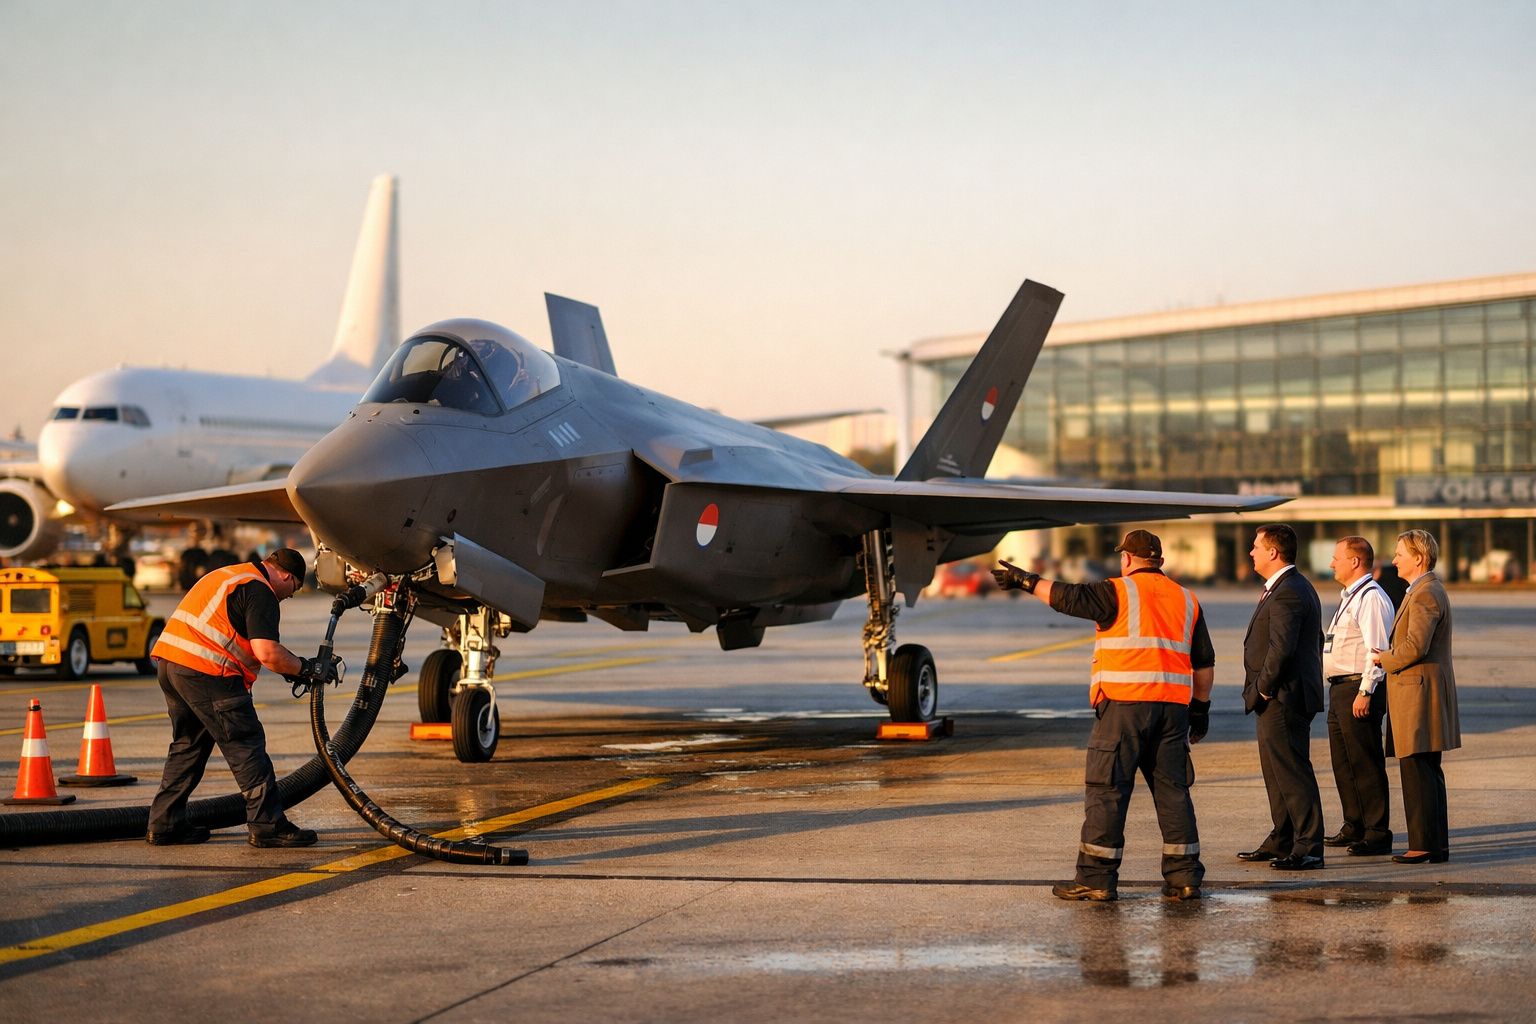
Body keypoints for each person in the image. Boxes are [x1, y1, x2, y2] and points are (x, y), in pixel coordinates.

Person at [994, 529, 1214, 902]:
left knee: (1107, 791)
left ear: (1126, 558)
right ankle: (1185, 878)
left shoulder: (1117, 590)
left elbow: (1067, 597)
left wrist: (1025, 581)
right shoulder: (1187, 598)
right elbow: (1204, 664)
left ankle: (1096, 878)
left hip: (1124, 708)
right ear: (1159, 560)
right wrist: (1201, 710)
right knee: (1173, 793)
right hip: (1173, 711)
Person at [146, 548, 334, 848]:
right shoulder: (260, 591)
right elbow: (267, 652)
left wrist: (292, 669)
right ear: (287, 577)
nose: (288, 596)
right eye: (294, 589)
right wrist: (306, 668)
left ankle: (165, 823)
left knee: (188, 747)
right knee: (246, 746)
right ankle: (267, 825)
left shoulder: (229, 575)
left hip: (171, 665)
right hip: (208, 671)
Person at [1369, 530, 1461, 864]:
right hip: (1419, 692)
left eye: (1399, 554)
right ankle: (1435, 845)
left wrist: (1384, 658)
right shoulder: (1424, 590)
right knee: (1426, 771)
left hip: (1419, 695)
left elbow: (1415, 646)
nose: (1393, 560)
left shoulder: (1426, 593)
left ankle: (1423, 845)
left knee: (1418, 772)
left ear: (1418, 558)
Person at [1238, 524, 1327, 871]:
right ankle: (1283, 837)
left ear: (1273, 552)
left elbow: (1282, 648)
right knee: (1276, 772)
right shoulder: (1287, 587)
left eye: (1256, 546)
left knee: (1291, 772)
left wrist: (1263, 688)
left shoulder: (1289, 591)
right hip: (1279, 695)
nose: (1251, 552)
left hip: (1282, 696)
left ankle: (1309, 845)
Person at [1322, 536, 1396, 856]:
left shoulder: (1370, 597)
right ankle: (1354, 824)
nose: (1331, 563)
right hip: (1341, 688)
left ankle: (1377, 831)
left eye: (1336, 558)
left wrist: (1366, 690)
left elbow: (1377, 650)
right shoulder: (1350, 596)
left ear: (1354, 561)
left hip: (1358, 688)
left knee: (1365, 762)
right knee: (1344, 762)